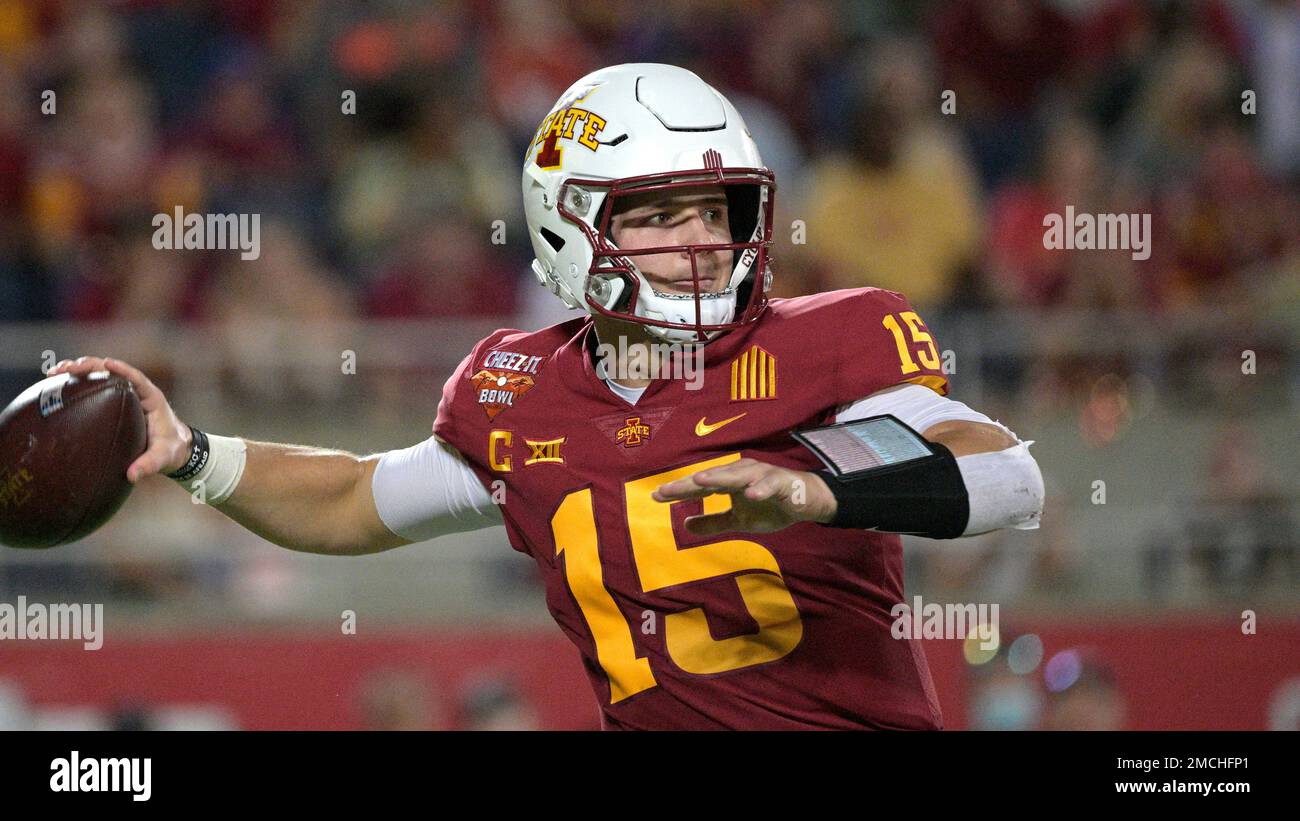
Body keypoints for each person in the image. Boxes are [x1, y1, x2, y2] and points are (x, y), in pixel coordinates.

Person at [52, 64, 1044, 730]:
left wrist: (828, 491)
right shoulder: (517, 390)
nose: (702, 237)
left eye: (717, 206)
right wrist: (192, 453)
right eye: (659, 213)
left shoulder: (828, 340)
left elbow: (1007, 473)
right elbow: (356, 497)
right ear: (569, 227)